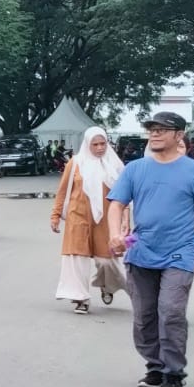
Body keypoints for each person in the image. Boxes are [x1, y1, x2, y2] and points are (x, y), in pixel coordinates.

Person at [107, 112, 194, 387]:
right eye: (152, 130)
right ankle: (155, 366)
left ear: (179, 135)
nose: (155, 134)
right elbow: (117, 204)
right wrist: (115, 235)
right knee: (144, 315)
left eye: (162, 130)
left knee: (170, 311)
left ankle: (174, 372)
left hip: (179, 253)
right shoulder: (135, 169)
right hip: (141, 250)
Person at [50, 127, 126, 315]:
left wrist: (125, 219)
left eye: (103, 144)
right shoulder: (76, 163)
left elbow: (126, 197)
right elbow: (62, 191)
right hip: (78, 216)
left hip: (105, 219)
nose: (100, 148)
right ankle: (80, 298)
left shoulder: (115, 165)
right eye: (95, 144)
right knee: (77, 257)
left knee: (106, 260)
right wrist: (56, 214)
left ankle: (107, 285)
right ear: (87, 144)